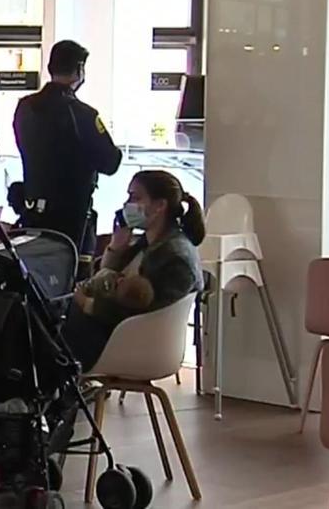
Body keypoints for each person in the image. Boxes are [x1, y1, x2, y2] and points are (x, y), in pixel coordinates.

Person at [63, 170, 205, 371]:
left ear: (160, 206)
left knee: (46, 331)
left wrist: (87, 304)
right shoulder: (148, 243)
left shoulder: (175, 257)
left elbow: (138, 310)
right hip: (111, 331)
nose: (127, 204)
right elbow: (104, 276)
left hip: (133, 343)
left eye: (135, 197)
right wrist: (115, 248)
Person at [13, 40, 121, 276]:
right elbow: (111, 162)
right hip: (72, 217)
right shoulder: (82, 114)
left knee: (37, 278)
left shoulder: (25, 108)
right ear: (79, 70)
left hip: (32, 212)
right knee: (71, 279)